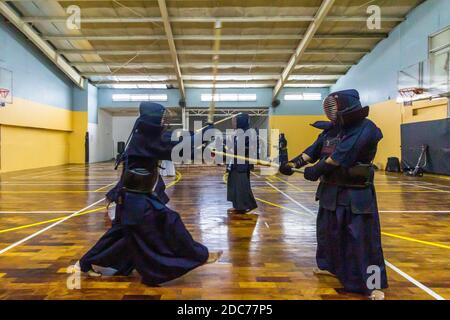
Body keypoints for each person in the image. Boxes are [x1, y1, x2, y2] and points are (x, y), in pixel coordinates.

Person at [77, 102, 222, 286]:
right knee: (170, 221)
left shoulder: (145, 134)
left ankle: (86, 262)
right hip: (135, 199)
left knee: (120, 236)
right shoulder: (147, 138)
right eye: (161, 117)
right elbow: (180, 147)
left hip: (133, 197)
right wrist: (204, 135)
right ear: (153, 117)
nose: (164, 121)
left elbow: (179, 139)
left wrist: (201, 134)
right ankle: (199, 255)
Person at [279, 89, 388, 300]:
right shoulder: (331, 130)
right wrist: (293, 163)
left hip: (356, 195)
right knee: (328, 234)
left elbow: (341, 156)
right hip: (331, 192)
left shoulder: (367, 128)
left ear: (346, 107)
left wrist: (317, 169)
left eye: (334, 107)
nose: (331, 111)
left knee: (364, 240)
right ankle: (330, 266)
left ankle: (373, 284)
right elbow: (312, 151)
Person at [226, 113, 258, 214]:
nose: (233, 123)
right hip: (235, 163)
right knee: (234, 184)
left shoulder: (248, 133)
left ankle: (248, 205)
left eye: (235, 121)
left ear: (241, 121)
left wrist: (228, 148)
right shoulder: (238, 133)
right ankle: (238, 206)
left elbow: (241, 148)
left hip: (242, 165)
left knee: (242, 186)